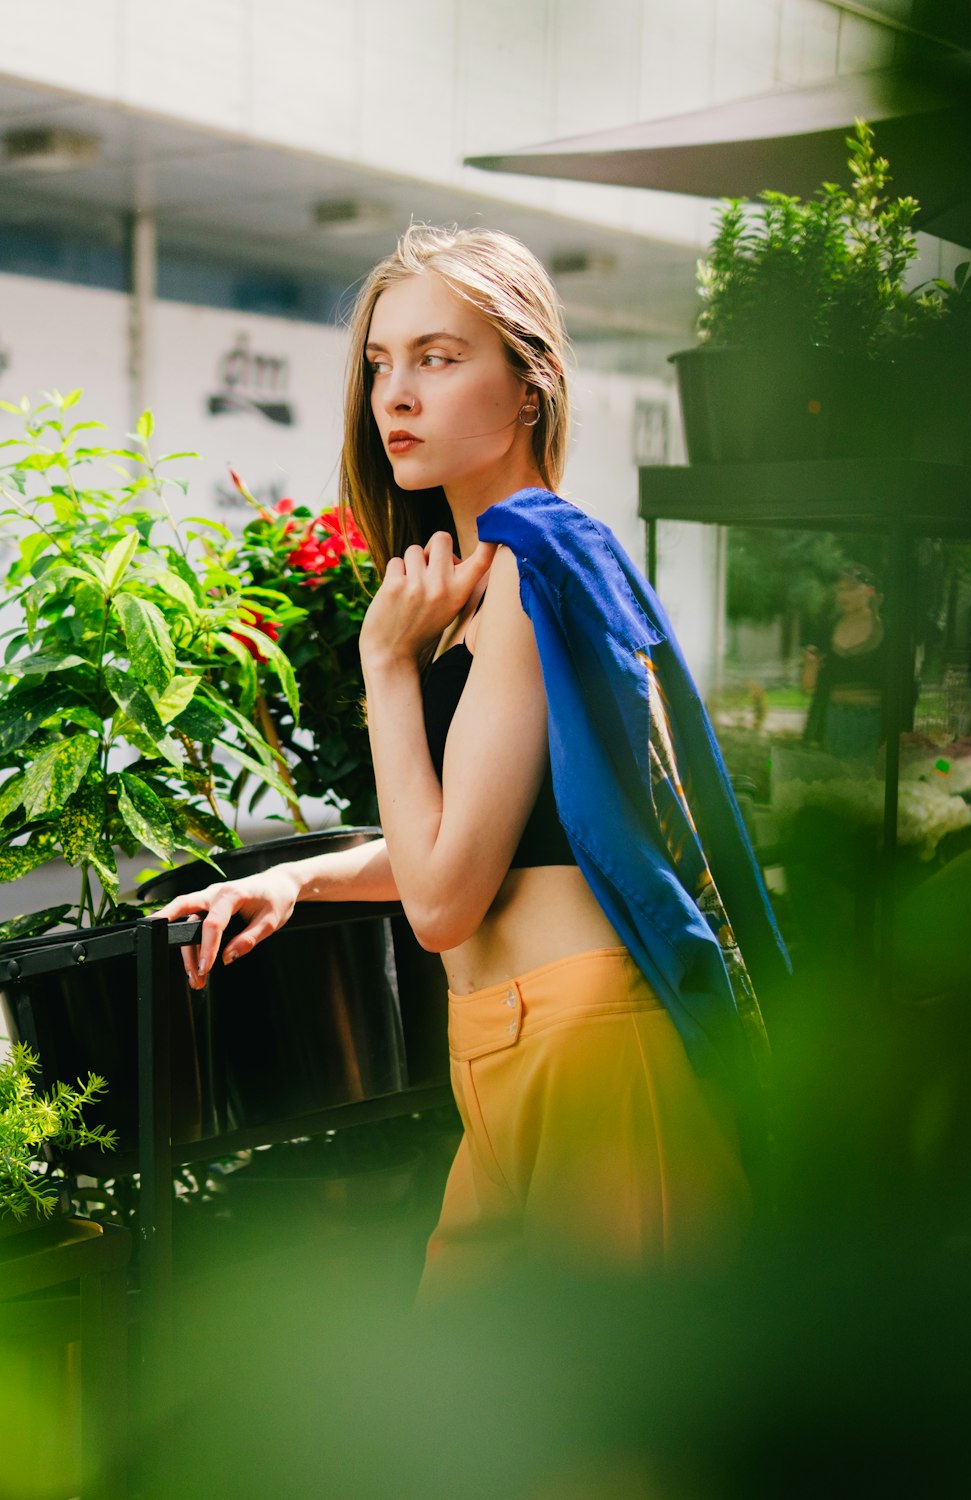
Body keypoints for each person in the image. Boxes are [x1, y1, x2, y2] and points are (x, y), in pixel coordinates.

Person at [158, 225, 785, 1295]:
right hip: (502, 1050)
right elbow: (474, 848)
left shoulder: (529, 573)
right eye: (379, 364)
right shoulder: (479, 586)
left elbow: (446, 904)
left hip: (593, 1049)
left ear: (529, 384)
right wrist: (299, 877)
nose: (394, 396)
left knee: (602, 1448)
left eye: (437, 359)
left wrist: (383, 667)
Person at [802, 564, 887, 763]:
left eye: (851, 589)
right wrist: (810, 666)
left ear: (869, 592)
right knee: (836, 785)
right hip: (834, 720)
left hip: (873, 722)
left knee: (866, 785)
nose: (843, 596)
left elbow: (901, 688)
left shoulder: (886, 631)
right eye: (840, 590)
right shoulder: (828, 628)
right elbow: (808, 686)